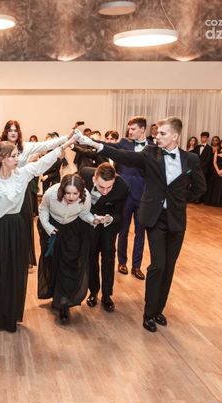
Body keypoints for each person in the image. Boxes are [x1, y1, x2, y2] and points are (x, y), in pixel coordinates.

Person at [79, 117, 206, 332]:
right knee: (158, 265)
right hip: (155, 218)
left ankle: (158, 310)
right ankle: (148, 313)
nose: (157, 136)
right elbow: (123, 155)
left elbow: (200, 187)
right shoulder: (150, 153)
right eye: (156, 133)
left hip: (176, 220)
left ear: (175, 136)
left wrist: (179, 200)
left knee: (169, 267)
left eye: (162, 133)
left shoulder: (191, 159)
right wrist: (95, 144)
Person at [0, 135, 77, 332]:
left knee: (16, 271)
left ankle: (13, 314)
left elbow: (45, 161)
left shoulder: (23, 174)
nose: (18, 159)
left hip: (17, 228)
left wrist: (65, 144)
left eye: (17, 155)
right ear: (2, 158)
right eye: (14, 156)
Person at [0, 120, 68, 268]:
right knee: (7, 223)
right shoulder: (0, 146)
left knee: (24, 222)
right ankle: (8, 257)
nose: (13, 133)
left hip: (24, 188)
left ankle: (24, 258)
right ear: (6, 132)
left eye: (15, 130)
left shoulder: (25, 146)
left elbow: (46, 145)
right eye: (10, 130)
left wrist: (67, 138)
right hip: (5, 189)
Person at [37, 173, 95, 324]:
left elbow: (84, 214)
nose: (71, 197)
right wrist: (48, 227)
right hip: (51, 226)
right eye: (68, 193)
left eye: (75, 194)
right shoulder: (50, 194)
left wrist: (93, 219)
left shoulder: (86, 196)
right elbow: (43, 210)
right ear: (62, 190)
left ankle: (64, 302)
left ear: (81, 192)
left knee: (69, 263)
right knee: (52, 262)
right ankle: (54, 293)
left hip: (72, 228)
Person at [105, 116, 152, 280]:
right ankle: (122, 262)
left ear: (142, 129)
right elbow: (108, 146)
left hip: (143, 196)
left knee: (140, 233)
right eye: (129, 128)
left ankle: (137, 266)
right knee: (123, 230)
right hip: (125, 195)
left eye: (133, 129)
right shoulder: (124, 143)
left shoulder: (153, 147)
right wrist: (89, 141)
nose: (129, 131)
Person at [80, 164, 129, 312]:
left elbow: (120, 214)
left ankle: (107, 295)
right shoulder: (83, 175)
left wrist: (110, 218)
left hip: (109, 224)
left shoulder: (121, 186)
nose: (105, 191)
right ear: (94, 179)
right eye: (102, 187)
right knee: (91, 255)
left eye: (109, 187)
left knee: (108, 257)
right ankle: (93, 291)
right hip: (90, 221)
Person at [204, 138, 222, 207]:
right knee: (216, 185)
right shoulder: (217, 151)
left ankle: (221, 202)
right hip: (216, 170)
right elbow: (214, 162)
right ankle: (214, 201)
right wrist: (218, 170)